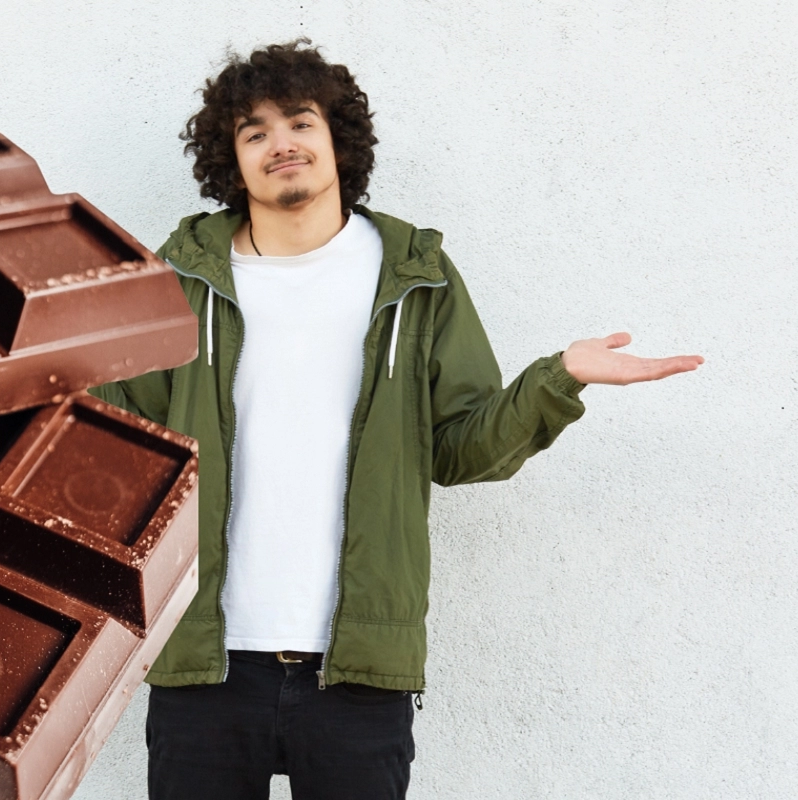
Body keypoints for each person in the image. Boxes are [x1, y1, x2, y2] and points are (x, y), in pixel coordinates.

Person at [89, 40, 703, 800]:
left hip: (358, 669)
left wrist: (558, 379)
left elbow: (461, 448)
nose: (281, 143)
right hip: (204, 662)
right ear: (231, 160)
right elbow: (115, 441)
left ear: (336, 140)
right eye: (254, 132)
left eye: (300, 123)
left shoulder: (417, 277)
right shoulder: (178, 281)